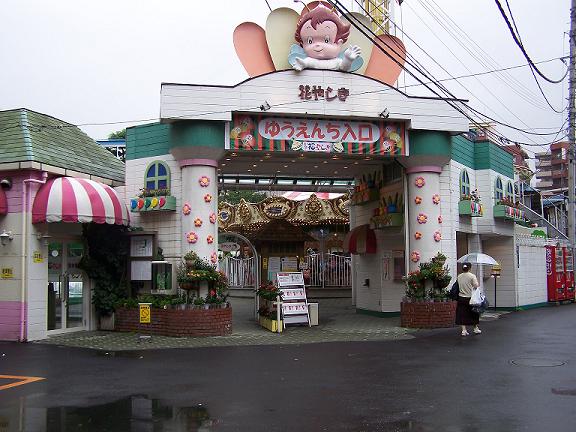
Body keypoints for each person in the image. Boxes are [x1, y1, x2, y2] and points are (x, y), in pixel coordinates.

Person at [455, 262, 482, 336]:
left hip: (461, 298)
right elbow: (476, 285)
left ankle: (464, 330)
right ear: (470, 268)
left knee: (462, 314)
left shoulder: (459, 276)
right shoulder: (472, 276)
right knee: (474, 313)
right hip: (471, 298)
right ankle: (475, 328)